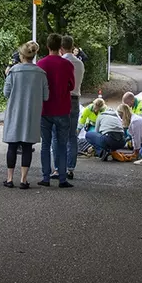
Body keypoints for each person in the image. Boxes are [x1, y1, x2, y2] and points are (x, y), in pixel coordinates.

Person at [3, 41, 48, 189]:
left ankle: (9, 179)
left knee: (12, 146)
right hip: (32, 114)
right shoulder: (41, 73)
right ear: (34, 56)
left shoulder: (13, 72)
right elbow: (46, 96)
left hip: (15, 112)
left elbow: (6, 93)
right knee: (27, 147)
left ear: (21, 55)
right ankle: (23, 180)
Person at [37, 33, 75, 188]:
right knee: (62, 143)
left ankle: (46, 177)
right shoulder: (67, 65)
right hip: (62, 108)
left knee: (45, 144)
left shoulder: (41, 64)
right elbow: (71, 86)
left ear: (47, 46)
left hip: (45, 109)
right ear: (60, 47)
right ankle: (62, 178)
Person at [58, 35, 85, 179]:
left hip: (62, 99)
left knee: (58, 134)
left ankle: (58, 167)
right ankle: (70, 167)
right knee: (72, 135)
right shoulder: (80, 63)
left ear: (61, 48)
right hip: (75, 99)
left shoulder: (61, 62)